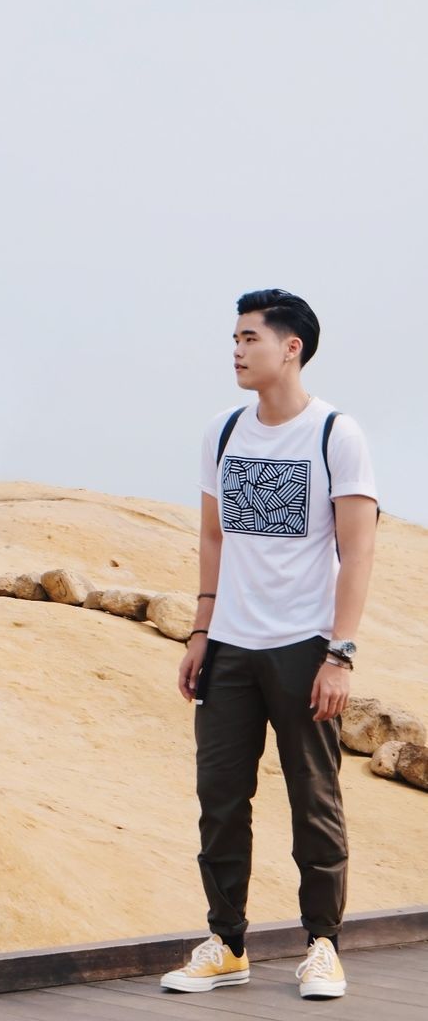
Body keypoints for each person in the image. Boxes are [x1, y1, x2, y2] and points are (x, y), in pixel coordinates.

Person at [160, 289, 377, 1001]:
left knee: (313, 800)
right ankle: (225, 943)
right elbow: (213, 537)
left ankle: (321, 945)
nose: (235, 349)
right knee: (219, 797)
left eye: (249, 337)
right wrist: (200, 630)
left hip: (301, 646)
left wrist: (338, 654)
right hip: (229, 647)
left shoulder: (334, 434)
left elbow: (357, 552)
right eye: (233, 337)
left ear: (291, 347)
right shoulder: (223, 432)